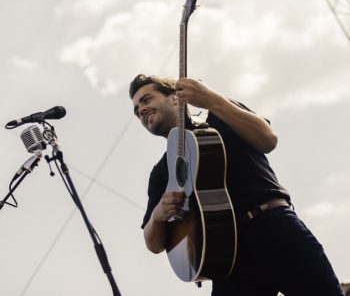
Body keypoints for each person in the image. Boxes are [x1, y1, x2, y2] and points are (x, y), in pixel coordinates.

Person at [129, 74, 344, 296]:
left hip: (274, 228)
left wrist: (212, 100)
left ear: (175, 97)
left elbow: (267, 139)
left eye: (146, 100)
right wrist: (158, 215)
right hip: (227, 258)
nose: (141, 110)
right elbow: (153, 244)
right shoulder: (161, 173)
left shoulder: (220, 114)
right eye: (136, 110)